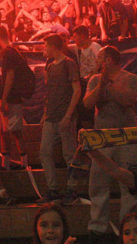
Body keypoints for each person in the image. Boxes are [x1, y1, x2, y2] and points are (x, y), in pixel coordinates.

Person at [83, 46, 137, 242]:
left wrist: (108, 84)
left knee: (129, 185)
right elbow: (88, 104)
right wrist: (101, 83)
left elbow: (128, 100)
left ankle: (128, 227)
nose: (97, 62)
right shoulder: (94, 80)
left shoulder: (130, 78)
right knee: (98, 185)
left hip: (127, 137)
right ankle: (97, 228)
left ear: (108, 59)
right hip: (102, 138)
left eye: (99, 58)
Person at [38, 34, 81, 204]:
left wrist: (68, 115)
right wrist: (45, 112)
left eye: (46, 46)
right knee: (44, 151)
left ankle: (72, 188)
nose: (44, 49)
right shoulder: (50, 66)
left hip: (64, 115)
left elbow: (77, 90)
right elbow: (50, 92)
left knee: (69, 154)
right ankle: (53, 188)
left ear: (53, 47)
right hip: (52, 115)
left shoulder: (69, 64)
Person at [0, 25, 29, 168]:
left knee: (11, 131)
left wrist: (4, 100)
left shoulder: (9, 53)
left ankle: (19, 163)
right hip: (12, 98)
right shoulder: (14, 52)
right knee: (6, 131)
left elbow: (10, 76)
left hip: (10, 99)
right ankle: (12, 162)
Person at [68, 25, 102, 128]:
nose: (74, 39)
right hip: (84, 82)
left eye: (75, 36)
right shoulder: (77, 49)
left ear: (82, 36)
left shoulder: (95, 47)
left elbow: (101, 63)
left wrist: (92, 75)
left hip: (95, 82)